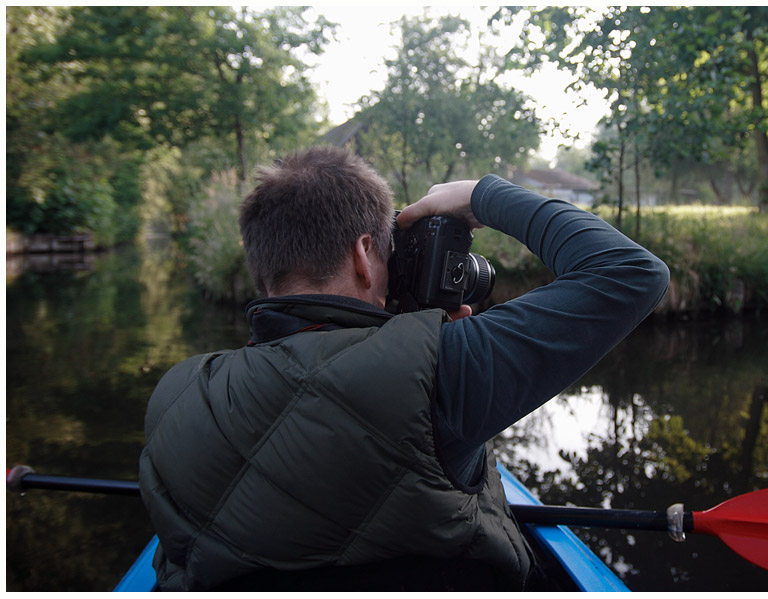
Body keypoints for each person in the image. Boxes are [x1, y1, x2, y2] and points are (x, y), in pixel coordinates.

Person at [138, 145, 670, 591]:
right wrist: (482, 194)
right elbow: (631, 273)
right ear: (365, 255)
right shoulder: (442, 366)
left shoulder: (176, 394)